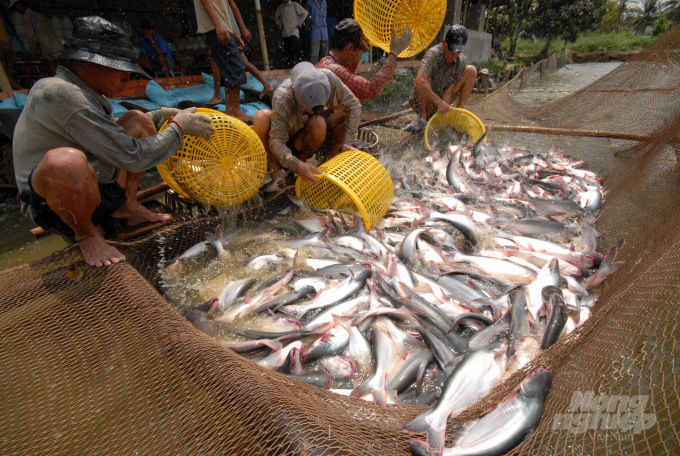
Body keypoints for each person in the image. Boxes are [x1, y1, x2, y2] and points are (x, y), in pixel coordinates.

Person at [13, 17, 215, 268]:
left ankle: (127, 202)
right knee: (66, 161)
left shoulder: (85, 92)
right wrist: (179, 128)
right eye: (121, 69)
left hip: (97, 185)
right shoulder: (58, 91)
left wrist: (161, 114)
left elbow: (109, 134)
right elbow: (133, 156)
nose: (127, 78)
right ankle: (86, 233)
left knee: (138, 119)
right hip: (54, 205)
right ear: (89, 65)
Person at [252, 62, 361, 183]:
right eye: (305, 109)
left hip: (306, 136)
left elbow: (355, 106)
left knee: (321, 122)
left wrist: (347, 144)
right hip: (286, 138)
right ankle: (275, 170)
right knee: (261, 117)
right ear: (294, 90)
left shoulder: (328, 79)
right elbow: (276, 141)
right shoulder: (283, 97)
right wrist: (296, 164)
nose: (308, 113)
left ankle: (315, 162)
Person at [317, 19, 411, 101]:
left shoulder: (328, 62)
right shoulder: (335, 71)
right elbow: (371, 89)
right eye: (360, 50)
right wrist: (394, 54)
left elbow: (350, 73)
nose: (361, 55)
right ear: (350, 48)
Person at [406, 25, 477, 133]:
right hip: (424, 101)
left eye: (458, 52)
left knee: (471, 70)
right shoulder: (433, 54)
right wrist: (438, 102)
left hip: (443, 98)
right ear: (444, 43)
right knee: (424, 80)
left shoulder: (460, 60)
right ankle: (422, 117)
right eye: (451, 51)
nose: (454, 55)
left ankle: (458, 116)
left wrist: (443, 115)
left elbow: (451, 88)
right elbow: (419, 81)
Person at [206, 1, 274, 105]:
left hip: (228, 31)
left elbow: (232, 6)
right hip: (229, 30)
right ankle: (266, 85)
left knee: (222, 63)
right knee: (236, 62)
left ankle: (218, 96)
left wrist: (241, 29)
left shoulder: (219, 7)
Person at [194, 0, 251, 122]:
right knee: (236, 68)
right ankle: (236, 111)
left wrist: (234, 32)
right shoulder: (217, 24)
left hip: (222, 26)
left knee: (229, 70)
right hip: (217, 27)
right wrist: (218, 24)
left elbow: (228, 6)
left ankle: (231, 111)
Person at [8, 0, 63, 73]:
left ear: (19, 5)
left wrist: (33, 53)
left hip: (47, 49)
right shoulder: (42, 16)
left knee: (54, 73)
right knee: (62, 72)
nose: (17, 10)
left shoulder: (27, 17)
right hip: (58, 47)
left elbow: (31, 37)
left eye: (16, 8)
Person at [274, 0, 307, 67]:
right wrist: (280, 25)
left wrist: (298, 24)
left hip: (293, 30)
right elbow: (276, 18)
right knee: (288, 50)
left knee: (294, 45)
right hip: (285, 31)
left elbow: (305, 13)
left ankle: (303, 62)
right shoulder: (280, 8)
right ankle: (291, 66)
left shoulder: (294, 5)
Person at [0, 17, 21, 89]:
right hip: (7, 46)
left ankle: (20, 90)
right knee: (7, 76)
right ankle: (20, 90)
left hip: (1, 48)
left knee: (3, 76)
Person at [305, 0, 327, 65]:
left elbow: (325, 14)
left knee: (325, 52)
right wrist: (313, 22)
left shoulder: (324, 2)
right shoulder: (310, 2)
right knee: (314, 52)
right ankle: (314, 70)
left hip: (324, 30)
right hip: (315, 29)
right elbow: (307, 15)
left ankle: (324, 68)